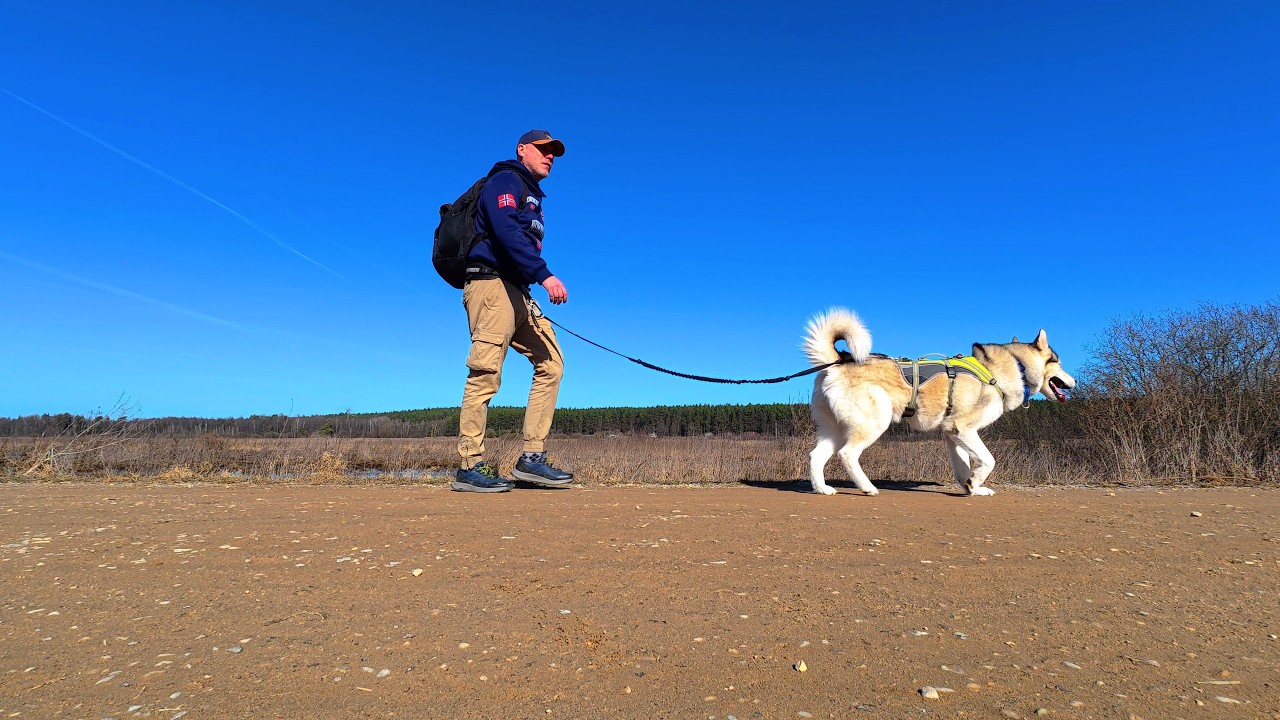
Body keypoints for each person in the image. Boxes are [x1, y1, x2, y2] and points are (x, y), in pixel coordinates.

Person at [452, 129, 575, 493]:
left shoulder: (534, 196)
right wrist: (544, 275)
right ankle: (470, 464)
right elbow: (505, 229)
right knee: (486, 371)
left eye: (554, 152)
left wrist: (530, 280)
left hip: (518, 291)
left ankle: (531, 460)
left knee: (551, 363)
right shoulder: (505, 179)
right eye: (543, 150)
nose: (550, 156)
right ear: (522, 150)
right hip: (491, 286)